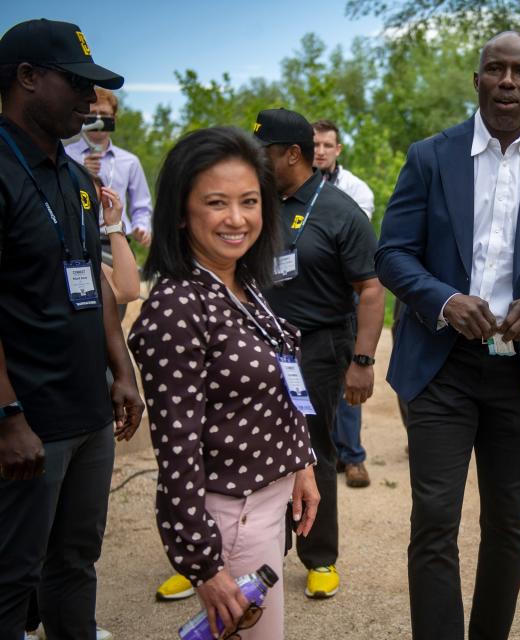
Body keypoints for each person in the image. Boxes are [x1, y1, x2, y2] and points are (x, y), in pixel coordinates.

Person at [377, 31, 520, 639]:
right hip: (440, 367)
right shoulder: (430, 157)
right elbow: (392, 255)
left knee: (507, 523)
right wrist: (444, 301)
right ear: (476, 80)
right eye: (495, 70)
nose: (507, 81)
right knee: (435, 521)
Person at [128, 126, 320, 640]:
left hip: (268, 501)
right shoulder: (176, 307)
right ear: (180, 212)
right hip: (231, 520)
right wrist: (204, 566)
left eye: (249, 201)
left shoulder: (242, 283)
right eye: (216, 202)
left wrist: (300, 460)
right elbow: (177, 450)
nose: (237, 219)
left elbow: (282, 380)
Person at [0, 18, 144, 640]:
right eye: (77, 85)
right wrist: (7, 414)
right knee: (12, 575)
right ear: (27, 78)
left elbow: (97, 282)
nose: (91, 103)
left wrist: (122, 369)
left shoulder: (77, 179)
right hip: (27, 422)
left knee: (76, 561)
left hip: (88, 413)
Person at [259, 108, 383, 598]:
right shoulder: (257, 203)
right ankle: (258, 552)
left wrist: (362, 361)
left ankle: (319, 557)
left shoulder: (339, 211)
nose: (256, 162)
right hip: (259, 343)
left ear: (293, 154)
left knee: (311, 449)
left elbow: (371, 291)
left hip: (317, 346)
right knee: (251, 445)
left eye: (264, 152)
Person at [312, 118, 376, 488]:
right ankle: (314, 455)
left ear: (337, 150)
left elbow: (350, 245)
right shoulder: (285, 187)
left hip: (346, 291)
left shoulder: (357, 190)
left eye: (326, 145)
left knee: (348, 371)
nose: (320, 150)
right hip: (305, 292)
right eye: (314, 144)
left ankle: (352, 457)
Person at [65, 87, 153, 246]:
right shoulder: (65, 155)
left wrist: (141, 227)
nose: (99, 120)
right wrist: (81, 175)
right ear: (84, 117)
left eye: (104, 115)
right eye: (93, 114)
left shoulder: (130, 161)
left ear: (114, 119)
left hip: (117, 242)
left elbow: (141, 206)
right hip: (77, 241)